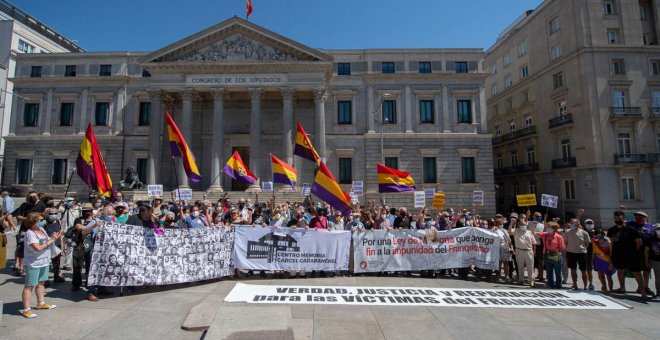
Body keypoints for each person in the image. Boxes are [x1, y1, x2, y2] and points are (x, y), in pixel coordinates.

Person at [20, 212, 60, 318]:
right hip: (33, 263)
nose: (43, 221)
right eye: (40, 220)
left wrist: (52, 237)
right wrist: (50, 241)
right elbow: (37, 248)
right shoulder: (30, 233)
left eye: (43, 219)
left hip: (44, 261)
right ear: (33, 222)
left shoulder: (41, 230)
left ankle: (40, 303)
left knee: (41, 283)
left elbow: (47, 240)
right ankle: (26, 309)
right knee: (29, 286)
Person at [608, 211, 647, 298]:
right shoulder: (611, 230)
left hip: (632, 255)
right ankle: (622, 288)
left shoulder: (631, 229)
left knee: (637, 273)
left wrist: (635, 253)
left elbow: (639, 242)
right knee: (620, 271)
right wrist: (612, 255)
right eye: (616, 218)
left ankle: (643, 291)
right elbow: (611, 243)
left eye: (620, 218)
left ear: (624, 218)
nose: (618, 219)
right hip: (618, 255)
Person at [10, 191, 46, 276]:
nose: (33, 198)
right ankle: (21, 268)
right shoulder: (24, 205)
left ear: (37, 197)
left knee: (37, 249)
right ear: (27, 198)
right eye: (31, 196)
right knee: (21, 249)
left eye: (34, 196)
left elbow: (44, 215)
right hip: (24, 230)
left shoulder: (41, 205)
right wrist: (28, 219)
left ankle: (35, 266)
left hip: (37, 231)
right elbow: (18, 216)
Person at [72, 203, 102, 301]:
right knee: (77, 267)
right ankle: (76, 285)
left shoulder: (96, 221)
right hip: (80, 246)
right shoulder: (79, 220)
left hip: (92, 248)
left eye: (89, 210)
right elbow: (81, 229)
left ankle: (95, 287)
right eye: (85, 211)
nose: (87, 212)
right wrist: (93, 226)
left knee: (92, 269)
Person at [626, 211, 655, 296]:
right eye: (636, 216)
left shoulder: (650, 226)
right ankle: (640, 287)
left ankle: (646, 287)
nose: (638, 217)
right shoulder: (632, 224)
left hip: (649, 251)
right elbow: (622, 221)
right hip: (636, 250)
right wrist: (623, 211)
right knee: (637, 270)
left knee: (647, 269)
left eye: (640, 216)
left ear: (645, 217)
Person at [564, 218, 592, 290]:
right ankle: (574, 284)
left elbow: (587, 243)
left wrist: (581, 248)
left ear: (578, 224)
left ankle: (585, 286)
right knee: (573, 270)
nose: (573, 225)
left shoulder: (584, 233)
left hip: (581, 253)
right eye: (572, 224)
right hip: (571, 253)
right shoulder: (567, 232)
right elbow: (565, 242)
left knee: (583, 270)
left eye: (575, 224)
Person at [510, 214, 536, 287]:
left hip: (529, 251)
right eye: (522, 225)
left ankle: (531, 281)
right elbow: (510, 231)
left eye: (524, 225)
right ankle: (520, 280)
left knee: (530, 266)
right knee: (520, 266)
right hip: (519, 250)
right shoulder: (516, 231)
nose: (523, 226)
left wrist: (534, 251)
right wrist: (511, 223)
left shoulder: (529, 232)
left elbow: (534, 243)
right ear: (519, 225)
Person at [537, 222, 565, 289]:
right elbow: (535, 233)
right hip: (547, 254)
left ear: (554, 229)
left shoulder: (559, 237)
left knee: (558, 272)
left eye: (549, 227)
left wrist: (557, 251)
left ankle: (558, 286)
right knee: (549, 271)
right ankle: (551, 285)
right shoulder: (545, 235)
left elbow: (562, 247)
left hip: (556, 255)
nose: (548, 229)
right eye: (547, 227)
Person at [44, 207, 65, 283]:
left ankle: (56, 276)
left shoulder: (58, 222)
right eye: (51, 214)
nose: (53, 215)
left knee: (57, 262)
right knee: (47, 263)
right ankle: (45, 279)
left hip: (57, 244)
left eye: (55, 213)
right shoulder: (45, 223)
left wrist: (62, 247)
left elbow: (61, 234)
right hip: (47, 245)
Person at [592, 226, 615, 292]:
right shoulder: (595, 242)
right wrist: (592, 261)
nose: (599, 235)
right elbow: (594, 252)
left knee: (608, 276)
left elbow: (612, 253)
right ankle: (604, 288)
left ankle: (611, 290)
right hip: (598, 260)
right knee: (600, 275)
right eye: (598, 234)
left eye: (601, 234)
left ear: (603, 234)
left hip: (607, 261)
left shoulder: (608, 242)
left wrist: (611, 263)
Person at [652, 224, 660, 301]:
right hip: (656, 260)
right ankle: (658, 293)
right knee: (658, 278)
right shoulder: (652, 239)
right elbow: (647, 250)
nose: (659, 230)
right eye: (657, 229)